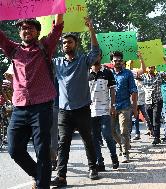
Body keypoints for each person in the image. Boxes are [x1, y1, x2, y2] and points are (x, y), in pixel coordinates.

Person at [0, 15, 64, 189]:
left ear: (37, 31)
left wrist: (59, 9)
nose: (26, 30)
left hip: (42, 106)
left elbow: (57, 28)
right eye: (23, 28)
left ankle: (43, 185)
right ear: (19, 32)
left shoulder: (45, 47)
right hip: (19, 107)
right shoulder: (12, 49)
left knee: (42, 150)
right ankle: (38, 174)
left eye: (30, 27)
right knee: (14, 149)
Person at [51, 18, 100, 187]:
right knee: (63, 142)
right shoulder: (56, 63)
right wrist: (53, 31)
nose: (66, 45)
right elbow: (43, 53)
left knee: (88, 139)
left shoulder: (83, 61)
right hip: (64, 111)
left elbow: (95, 51)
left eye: (69, 42)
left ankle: (93, 168)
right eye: (64, 43)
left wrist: (91, 29)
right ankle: (61, 175)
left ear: (76, 44)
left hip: (82, 108)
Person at [89, 55, 119, 171]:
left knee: (107, 134)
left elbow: (112, 90)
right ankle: (99, 162)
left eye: (97, 56)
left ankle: (113, 156)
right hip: (91, 111)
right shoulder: (86, 72)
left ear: (100, 57)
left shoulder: (107, 72)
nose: (95, 58)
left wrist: (113, 106)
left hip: (105, 110)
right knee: (94, 138)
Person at [111, 51, 138, 163]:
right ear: (111, 62)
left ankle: (125, 153)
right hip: (111, 106)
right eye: (115, 60)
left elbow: (134, 90)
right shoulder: (108, 74)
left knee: (124, 131)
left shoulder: (128, 74)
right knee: (111, 131)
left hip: (125, 106)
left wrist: (135, 108)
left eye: (119, 60)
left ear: (123, 61)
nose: (117, 62)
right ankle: (123, 144)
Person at [141, 57, 166, 145]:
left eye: (152, 67)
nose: (151, 69)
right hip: (148, 102)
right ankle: (154, 134)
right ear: (147, 69)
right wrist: (141, 59)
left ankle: (156, 137)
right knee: (150, 120)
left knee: (156, 119)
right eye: (149, 67)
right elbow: (137, 73)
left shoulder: (159, 75)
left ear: (155, 68)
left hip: (157, 101)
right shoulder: (143, 77)